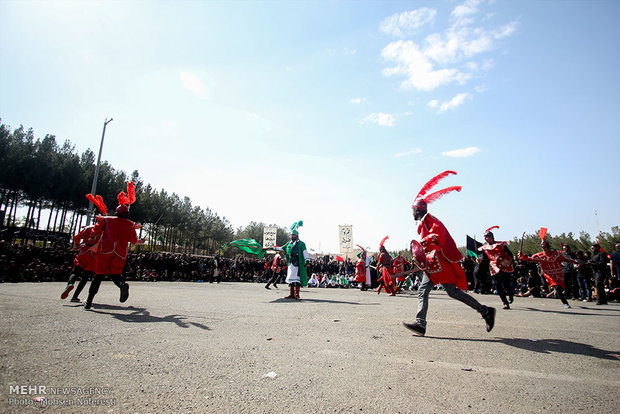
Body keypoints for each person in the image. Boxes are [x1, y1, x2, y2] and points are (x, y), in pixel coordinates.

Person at [402, 171, 495, 336]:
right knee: (423, 290)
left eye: (413, 210)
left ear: (418, 210)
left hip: (440, 263)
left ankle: (485, 311)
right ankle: (420, 324)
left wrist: (425, 241)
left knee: (453, 292)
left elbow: (438, 234)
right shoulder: (422, 223)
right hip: (431, 265)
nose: (412, 213)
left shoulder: (431, 220)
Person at [83, 183, 145, 310]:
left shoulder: (107, 220)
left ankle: (89, 302)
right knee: (116, 275)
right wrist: (141, 241)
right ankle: (122, 284)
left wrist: (92, 237)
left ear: (116, 212)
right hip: (120, 253)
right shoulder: (130, 224)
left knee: (98, 276)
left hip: (105, 250)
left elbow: (96, 229)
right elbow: (133, 241)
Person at [518, 228, 578, 309]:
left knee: (561, 287)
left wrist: (575, 262)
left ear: (549, 247)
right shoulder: (539, 256)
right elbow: (530, 259)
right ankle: (565, 303)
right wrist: (523, 257)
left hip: (558, 273)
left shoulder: (557, 254)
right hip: (549, 274)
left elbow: (566, 259)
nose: (544, 249)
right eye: (542, 248)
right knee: (556, 287)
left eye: (545, 247)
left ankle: (567, 296)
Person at [478, 226, 515, 309]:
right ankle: (505, 302)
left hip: (503, 266)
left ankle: (510, 294)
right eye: (485, 237)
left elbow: (509, 254)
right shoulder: (485, 248)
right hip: (493, 267)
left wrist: (509, 262)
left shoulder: (500, 245)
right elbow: (484, 259)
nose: (486, 238)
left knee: (506, 283)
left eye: (487, 236)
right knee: (498, 285)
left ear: (491, 236)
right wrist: (480, 260)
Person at [60, 224, 96, 303]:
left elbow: (76, 237)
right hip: (94, 253)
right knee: (85, 277)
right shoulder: (102, 230)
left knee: (75, 271)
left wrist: (77, 245)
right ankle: (75, 296)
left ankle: (70, 283)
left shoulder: (87, 228)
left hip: (83, 251)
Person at [279, 221, 309, 300]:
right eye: (291, 234)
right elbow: (281, 248)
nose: (292, 236)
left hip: (297, 262)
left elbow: (305, 252)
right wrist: (272, 248)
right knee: (291, 279)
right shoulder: (289, 243)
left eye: (294, 234)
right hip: (290, 263)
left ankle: (297, 294)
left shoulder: (301, 244)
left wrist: (307, 261)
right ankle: (291, 294)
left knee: (297, 279)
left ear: (297, 235)